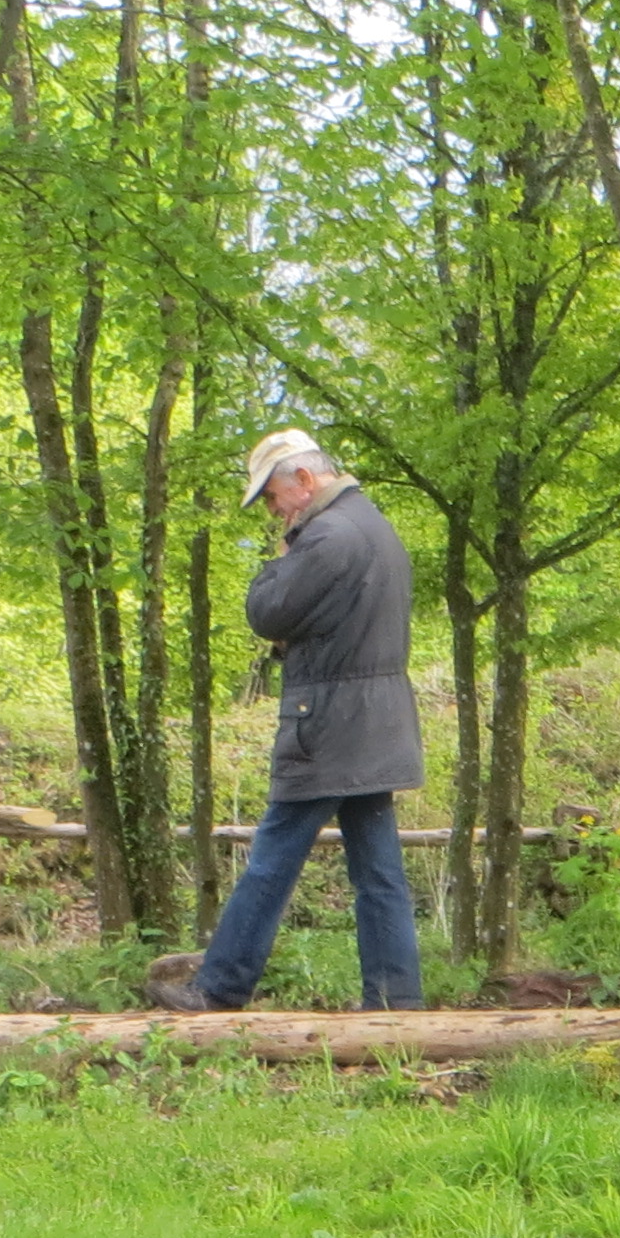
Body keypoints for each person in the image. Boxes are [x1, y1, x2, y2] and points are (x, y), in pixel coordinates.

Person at [155, 429, 427, 1014]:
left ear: (304, 480)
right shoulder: (374, 526)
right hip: (376, 723)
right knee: (379, 871)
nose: (274, 511)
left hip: (327, 725)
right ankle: (395, 999)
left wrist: (280, 560)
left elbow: (267, 612)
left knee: (271, 861)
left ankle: (220, 988)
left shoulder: (326, 536)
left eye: (273, 497)